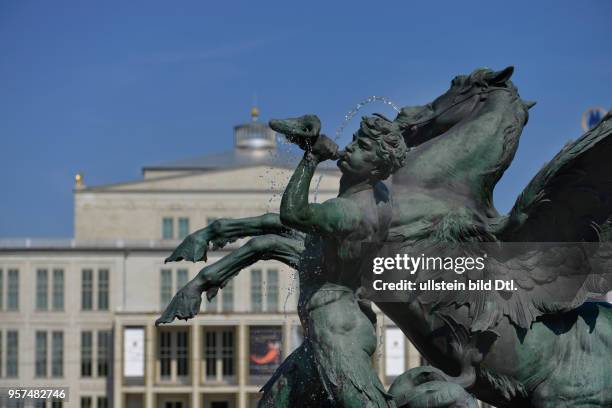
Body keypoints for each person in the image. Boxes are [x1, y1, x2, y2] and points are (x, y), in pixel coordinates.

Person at [261, 114, 407, 407]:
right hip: (329, 329)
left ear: (376, 168)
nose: (350, 148)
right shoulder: (380, 196)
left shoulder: (347, 212)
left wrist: (312, 157)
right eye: (354, 140)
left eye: (362, 147)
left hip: (337, 333)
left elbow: (294, 214)